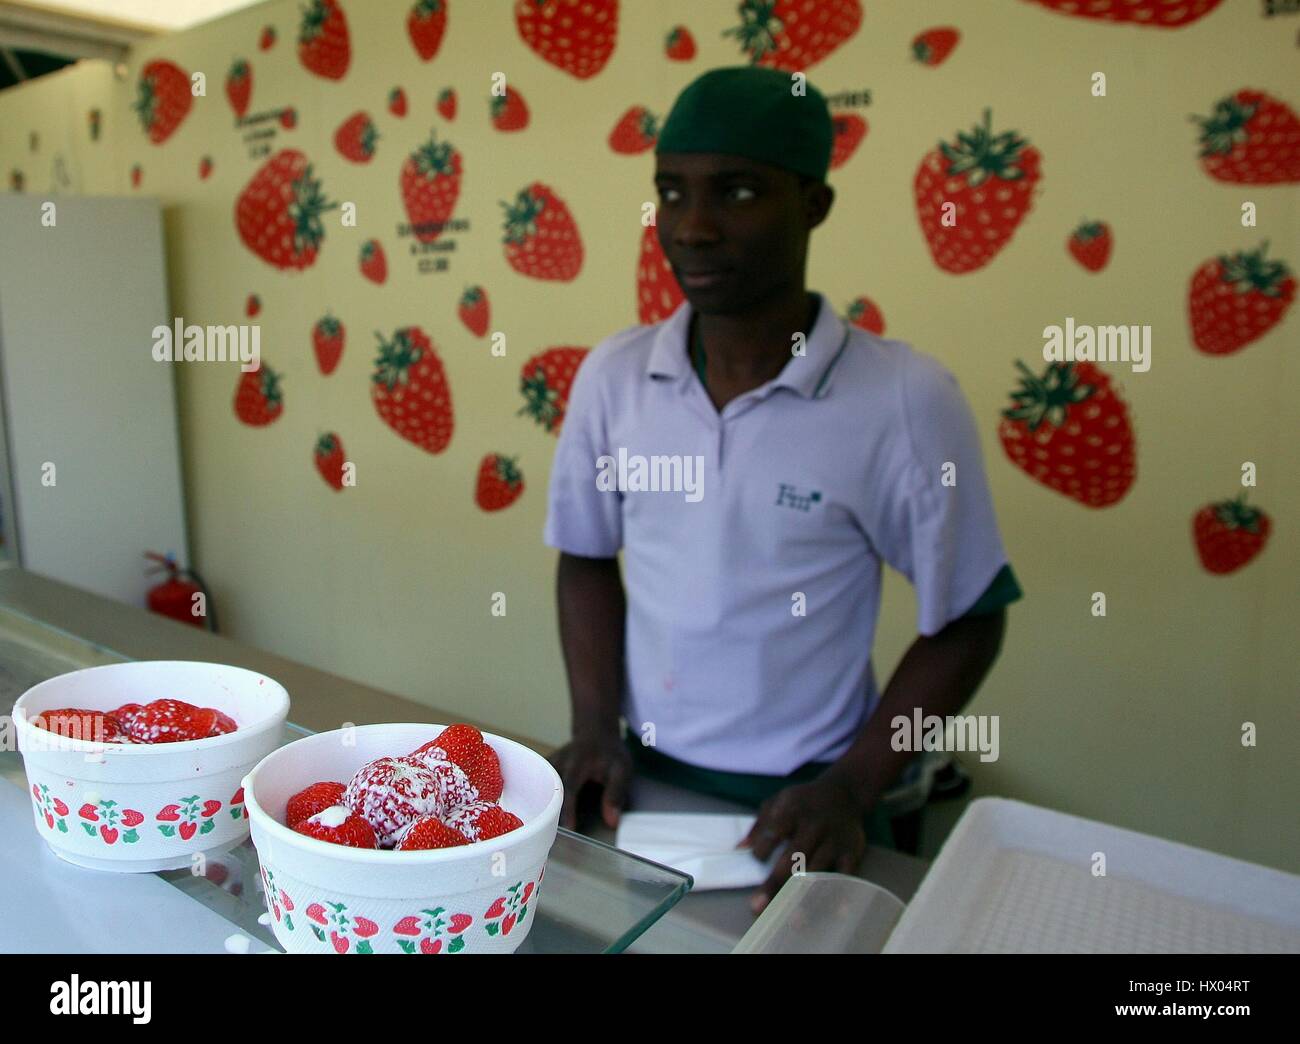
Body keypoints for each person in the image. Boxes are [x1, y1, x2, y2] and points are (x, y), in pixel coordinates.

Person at [544, 66, 1021, 914]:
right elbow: (585, 559)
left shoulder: (904, 398)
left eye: (736, 192)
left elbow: (972, 617)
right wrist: (593, 727)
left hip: (807, 810)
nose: (692, 227)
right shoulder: (616, 377)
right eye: (671, 191)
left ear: (814, 205)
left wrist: (857, 784)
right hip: (642, 799)